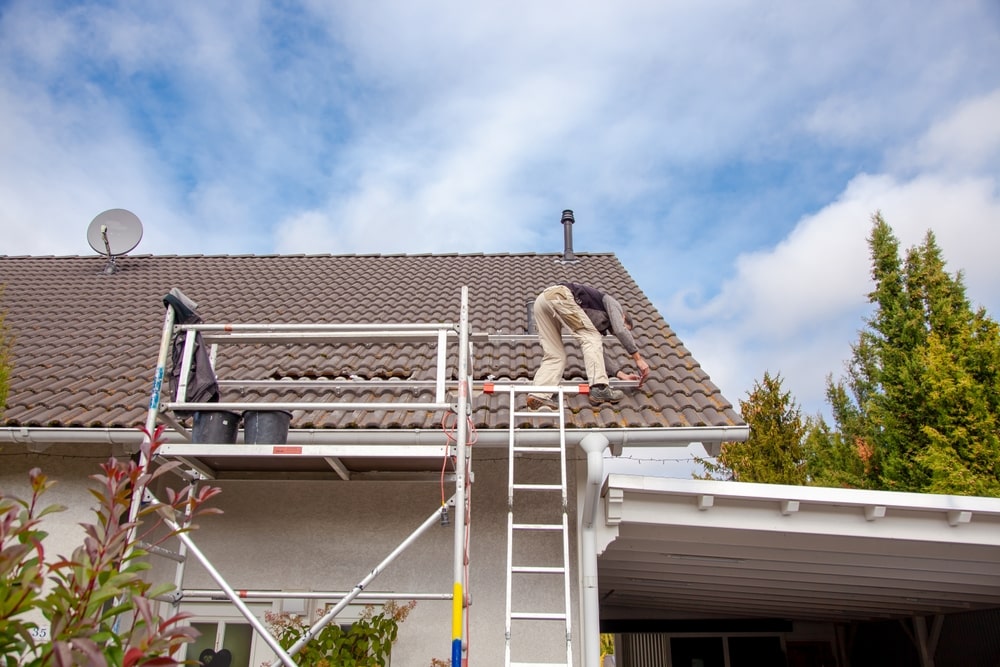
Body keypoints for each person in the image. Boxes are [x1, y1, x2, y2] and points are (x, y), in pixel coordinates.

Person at [528, 282, 651, 409]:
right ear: (622, 316)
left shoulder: (598, 323)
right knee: (592, 338)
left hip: (542, 302)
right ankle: (599, 388)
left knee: (555, 355)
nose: (615, 332)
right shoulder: (612, 303)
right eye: (626, 328)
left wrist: (621, 375)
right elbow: (620, 330)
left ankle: (539, 394)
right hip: (560, 295)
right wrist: (638, 359)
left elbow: (597, 352)